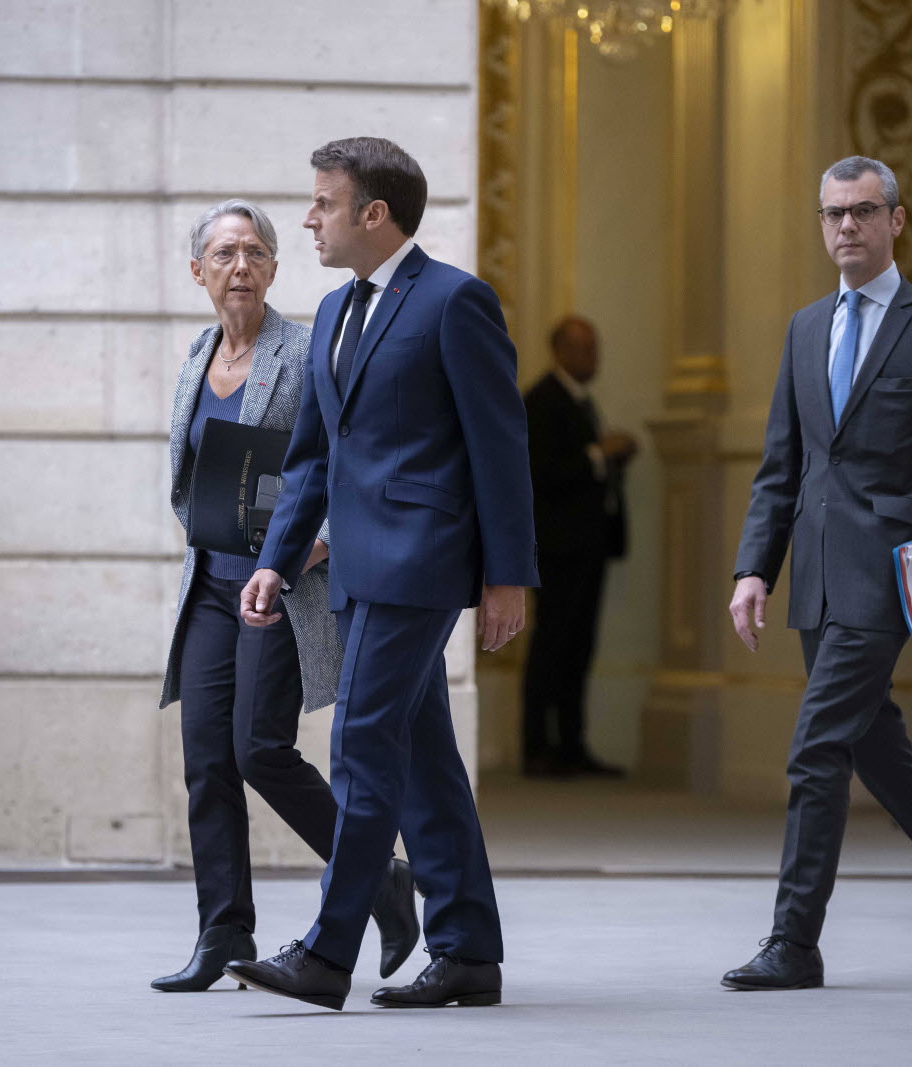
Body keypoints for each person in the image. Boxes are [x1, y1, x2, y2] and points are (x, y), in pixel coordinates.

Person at [224, 137, 538, 1011]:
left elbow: (499, 444)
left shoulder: (454, 301)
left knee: (362, 743)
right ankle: (469, 950)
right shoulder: (331, 312)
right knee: (426, 758)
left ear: (374, 213)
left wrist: (508, 574)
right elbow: (313, 457)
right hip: (359, 569)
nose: (309, 218)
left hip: (424, 563)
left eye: (323, 203)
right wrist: (276, 562)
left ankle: (328, 953)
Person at [723, 156, 912, 991]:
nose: (845, 227)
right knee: (877, 752)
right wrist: (755, 568)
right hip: (815, 573)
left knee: (817, 748)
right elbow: (781, 465)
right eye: (831, 214)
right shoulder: (805, 327)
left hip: (889, 576)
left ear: (896, 220)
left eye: (861, 211)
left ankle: (794, 941)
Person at [153, 199, 417, 994]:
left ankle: (379, 876)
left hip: (284, 584)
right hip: (210, 586)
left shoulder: (306, 353)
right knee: (207, 760)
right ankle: (222, 929)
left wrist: (322, 539)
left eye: (255, 252)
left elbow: (350, 461)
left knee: (258, 747)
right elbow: (190, 475)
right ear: (197, 271)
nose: (241, 266)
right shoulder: (199, 353)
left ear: (274, 267)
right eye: (224, 254)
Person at [520, 315, 635, 778]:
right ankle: (538, 746)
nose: (594, 358)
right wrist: (599, 454)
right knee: (551, 643)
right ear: (560, 351)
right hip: (557, 547)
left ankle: (571, 744)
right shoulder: (542, 400)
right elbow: (541, 472)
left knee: (578, 646)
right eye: (585, 348)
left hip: (586, 545)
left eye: (596, 348)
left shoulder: (580, 401)